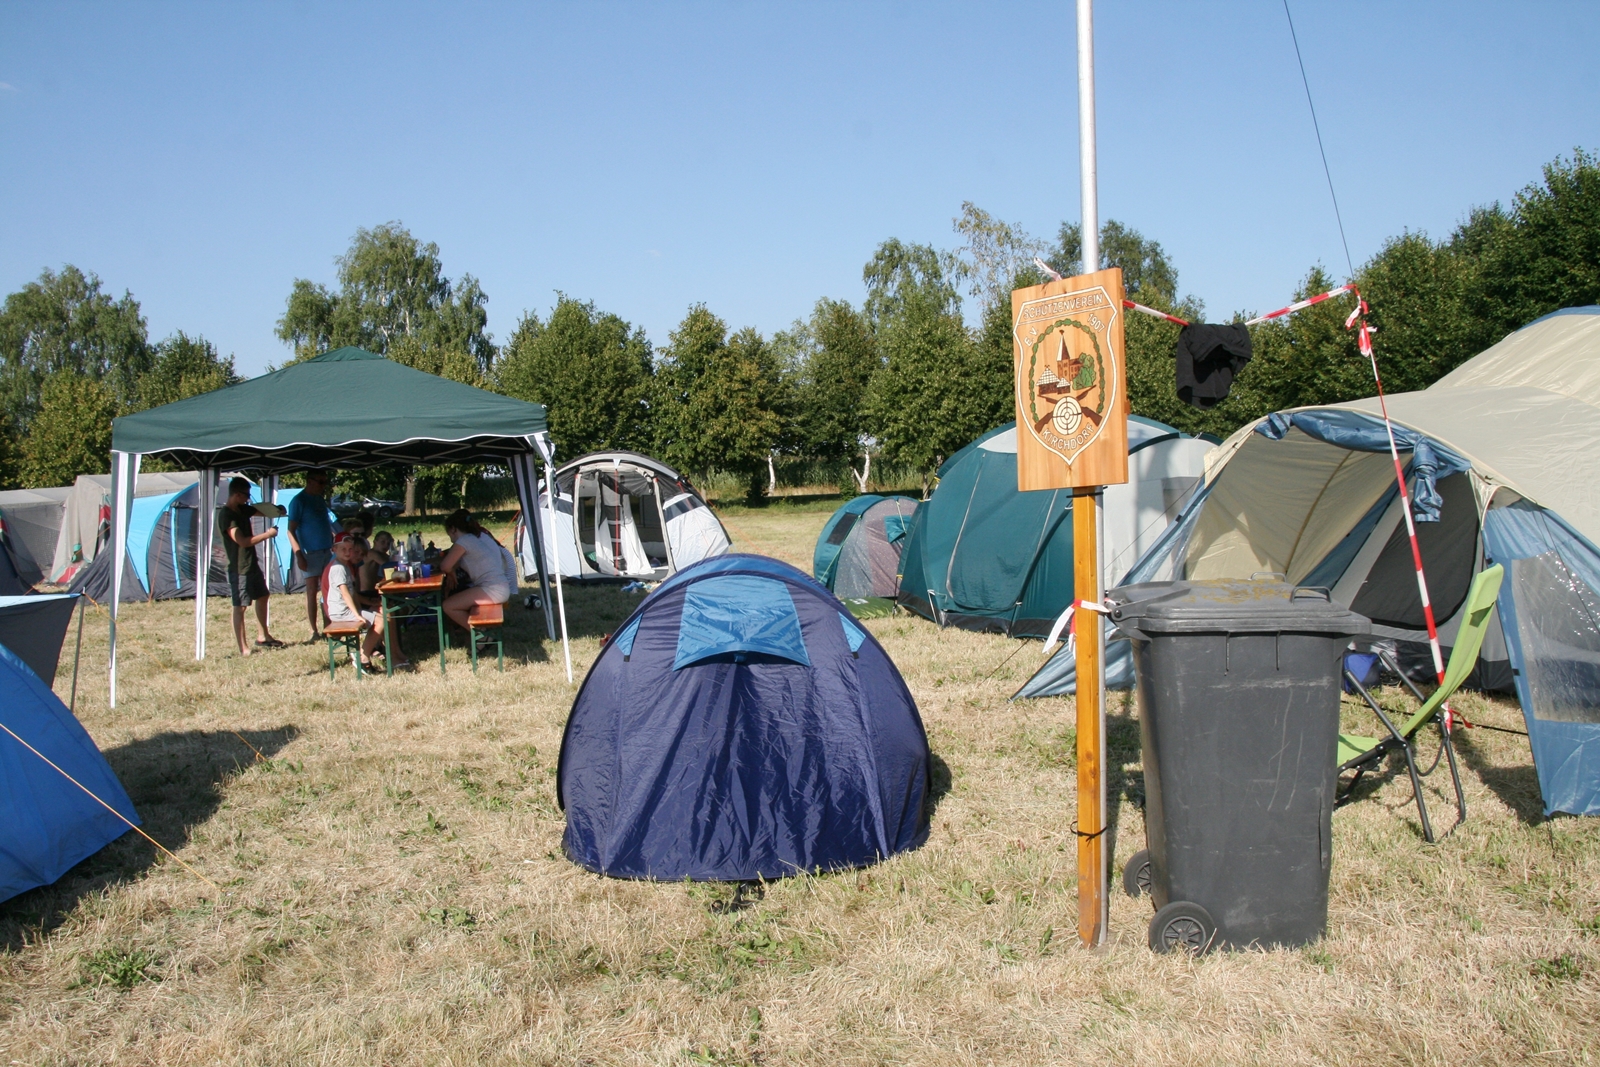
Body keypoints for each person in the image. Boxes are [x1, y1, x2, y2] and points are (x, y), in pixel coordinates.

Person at [218, 476, 282, 656]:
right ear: (237, 494)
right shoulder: (227, 516)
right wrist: (267, 534)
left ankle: (263, 636)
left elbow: (260, 510)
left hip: (251, 563)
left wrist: (277, 510)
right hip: (239, 568)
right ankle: (243, 648)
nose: (248, 499)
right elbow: (243, 541)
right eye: (246, 495)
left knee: (263, 595)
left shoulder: (241, 509)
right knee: (240, 606)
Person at [439, 509, 518, 636]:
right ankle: (479, 633)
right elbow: (454, 564)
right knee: (455, 600)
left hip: (493, 589)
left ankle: (480, 635)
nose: (451, 540)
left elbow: (445, 566)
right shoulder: (471, 539)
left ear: (453, 529)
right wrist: (451, 570)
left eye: (449, 534)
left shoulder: (463, 541)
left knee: (448, 605)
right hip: (498, 587)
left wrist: (450, 571)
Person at [325, 532, 392, 669]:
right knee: (382, 620)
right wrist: (357, 615)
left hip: (345, 611)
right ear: (334, 549)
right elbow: (345, 594)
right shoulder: (338, 568)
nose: (347, 552)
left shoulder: (345, 566)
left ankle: (367, 652)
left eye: (350, 549)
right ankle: (363, 656)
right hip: (341, 612)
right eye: (343, 549)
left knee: (382, 616)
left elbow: (353, 594)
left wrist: (361, 608)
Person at [287, 469, 335, 644]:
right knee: (312, 591)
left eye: (325, 482)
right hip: (309, 553)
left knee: (328, 589)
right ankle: (314, 630)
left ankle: (329, 625)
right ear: (309, 481)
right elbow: (290, 531)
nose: (323, 486)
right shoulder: (298, 501)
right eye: (320, 482)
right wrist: (299, 554)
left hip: (326, 550)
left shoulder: (320, 499)